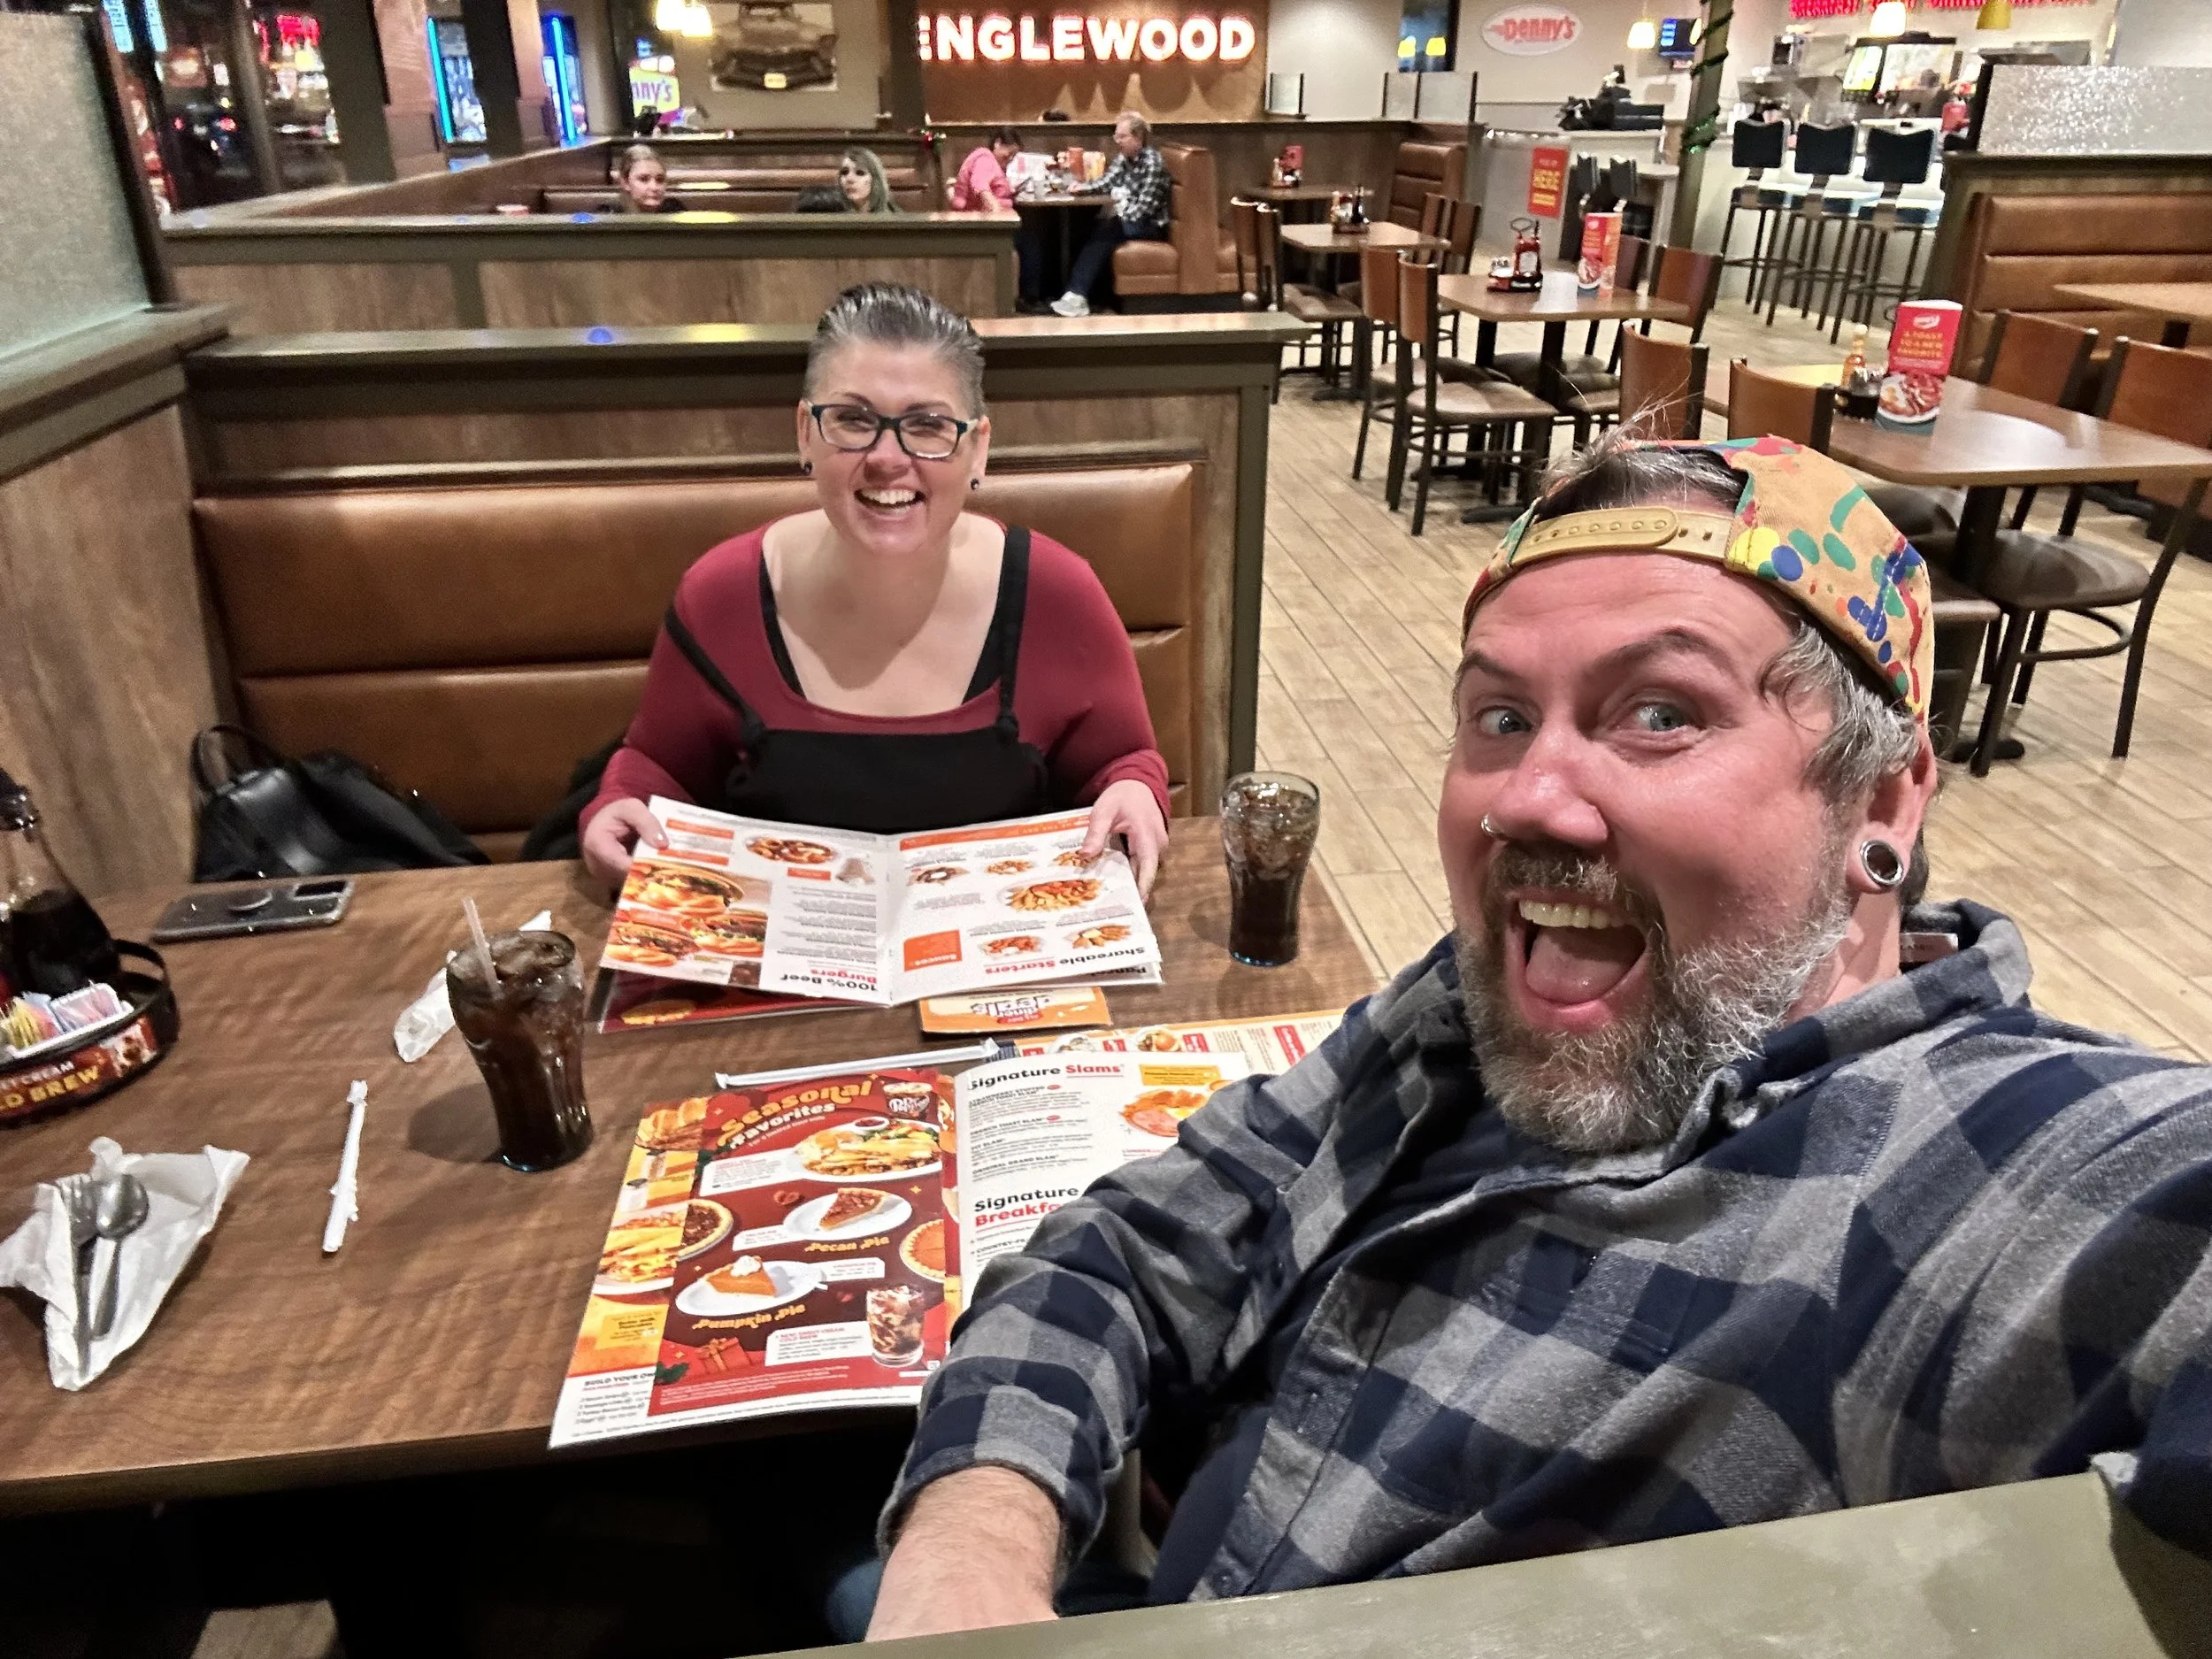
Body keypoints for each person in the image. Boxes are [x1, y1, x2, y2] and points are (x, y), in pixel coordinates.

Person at [862, 434, 2212, 1638]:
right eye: (1502, 718)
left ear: (1886, 795)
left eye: (1661, 712)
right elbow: (1133, 1241)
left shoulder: (1959, 1173)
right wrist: (974, 1542)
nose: (1534, 798)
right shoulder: (1473, 996)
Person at [580, 282, 1171, 893]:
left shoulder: (1058, 593)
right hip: (772, 961)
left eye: (928, 425)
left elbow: (1121, 762)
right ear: (805, 433)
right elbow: (656, 769)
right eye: (854, 420)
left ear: (978, 450)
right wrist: (618, 804)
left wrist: (1132, 791)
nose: (888, 457)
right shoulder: (720, 592)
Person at [1050, 111, 1170, 319]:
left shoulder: (1152, 163)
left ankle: (1077, 295)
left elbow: (1145, 208)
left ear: (1138, 138)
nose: (1117, 141)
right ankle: (1079, 295)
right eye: (1116, 136)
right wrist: (1081, 188)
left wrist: (1119, 219)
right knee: (1088, 228)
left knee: (1108, 230)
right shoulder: (1125, 159)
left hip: (1151, 226)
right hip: (1132, 219)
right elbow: (1107, 182)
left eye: (1122, 137)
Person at [949, 126, 1043, 309]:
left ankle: (1030, 296)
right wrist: (999, 216)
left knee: (1030, 239)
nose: (1009, 160)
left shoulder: (988, 160)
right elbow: (980, 186)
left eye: (1013, 157)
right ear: (998, 143)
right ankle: (1030, 299)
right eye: (1008, 154)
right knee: (1031, 243)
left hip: (982, 221)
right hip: (983, 226)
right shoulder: (985, 158)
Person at [611, 143, 681, 213]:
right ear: (625, 182)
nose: (654, 187)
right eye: (644, 179)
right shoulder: (608, 214)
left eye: (660, 180)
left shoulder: (674, 210)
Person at [836, 147, 900, 214]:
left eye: (860, 173)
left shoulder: (894, 221)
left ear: (875, 181)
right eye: (844, 172)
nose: (849, 179)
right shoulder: (836, 218)